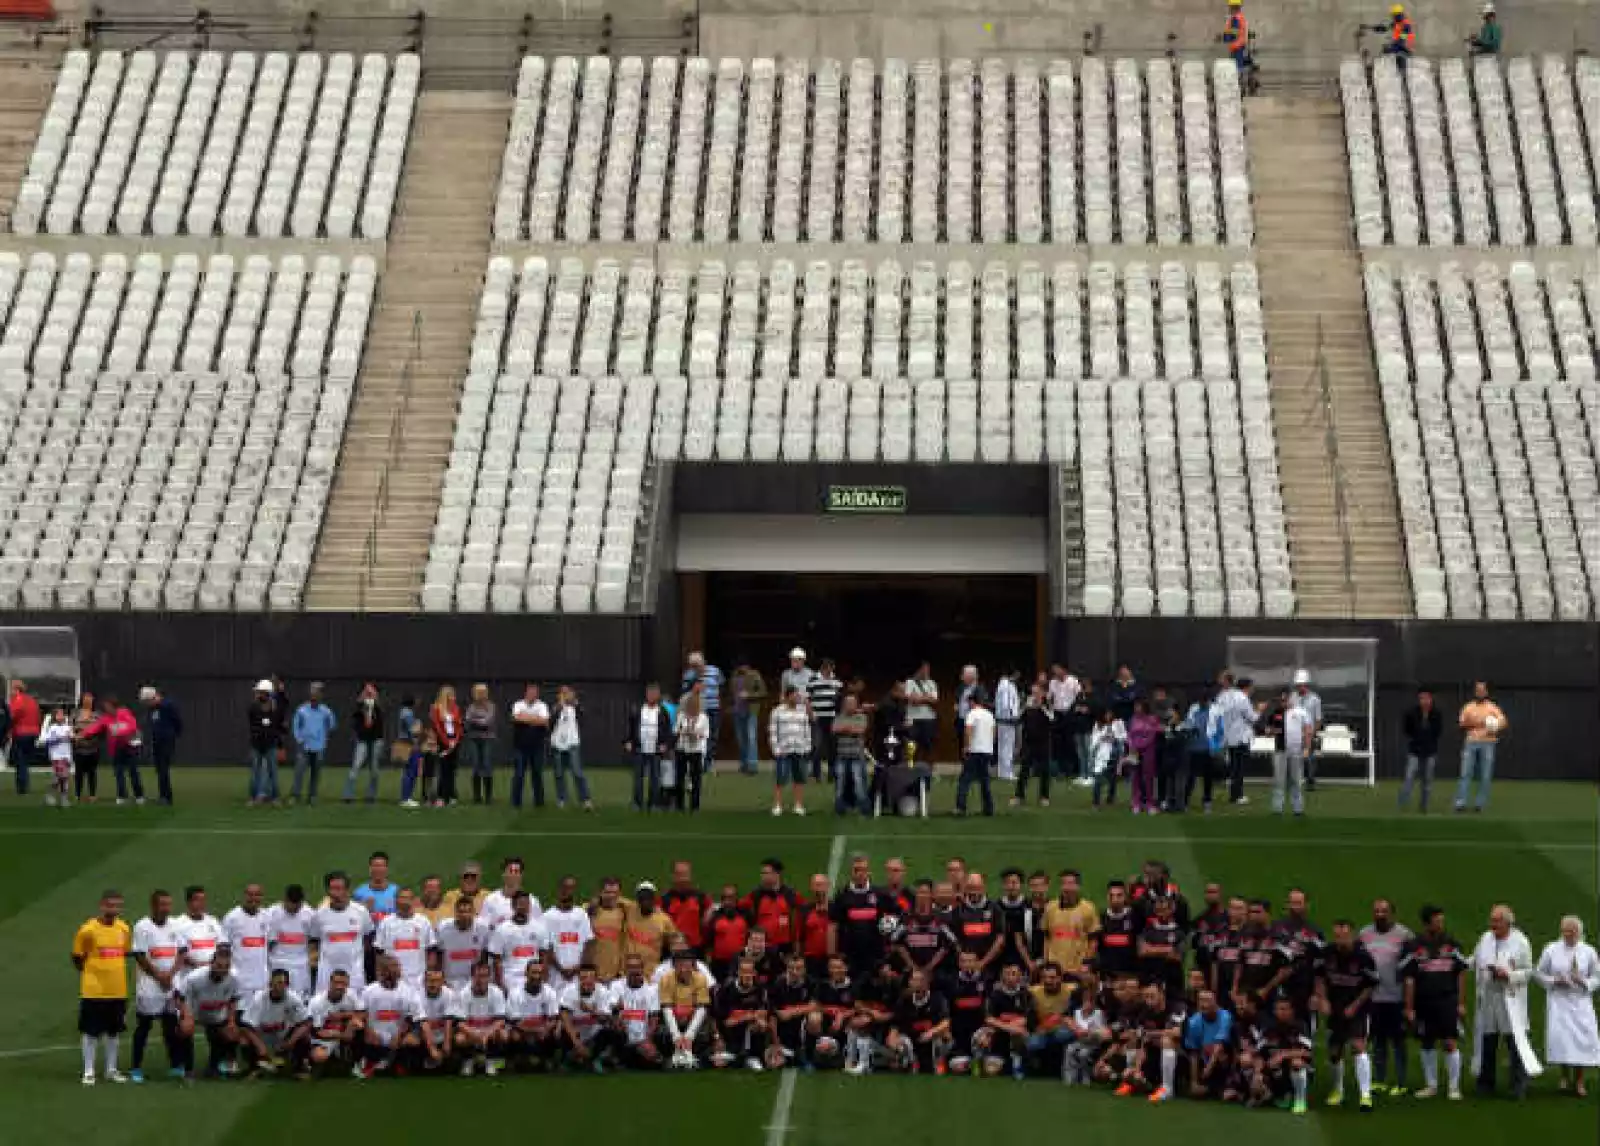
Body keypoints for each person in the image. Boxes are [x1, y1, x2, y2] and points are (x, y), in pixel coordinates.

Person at [1470, 903, 1540, 1098]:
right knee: (1487, 1042)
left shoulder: (1521, 942)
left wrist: (1508, 975)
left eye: (1497, 920)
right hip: (1489, 998)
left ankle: (1518, 1085)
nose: (1492, 924)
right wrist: (1457, 963)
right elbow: (1474, 960)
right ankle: (1485, 1083)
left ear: (1508, 922)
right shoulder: (1485, 939)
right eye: (1492, 919)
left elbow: (1528, 972)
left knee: (1515, 1043)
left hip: (1510, 999)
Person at [1401, 904, 1468, 1099]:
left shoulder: (1451, 945)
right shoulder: (1414, 947)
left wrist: (1461, 1003)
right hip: (1424, 1001)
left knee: (1449, 1041)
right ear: (1426, 923)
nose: (1440, 924)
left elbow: (1461, 972)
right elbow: (1409, 978)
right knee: (1427, 1042)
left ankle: (1454, 1087)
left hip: (1447, 1000)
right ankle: (1431, 1085)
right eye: (1437, 921)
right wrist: (1409, 1007)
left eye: (1441, 920)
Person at [1316, 919, 1378, 1109]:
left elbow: (1370, 986)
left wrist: (1355, 1006)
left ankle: (1365, 1095)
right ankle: (1338, 1090)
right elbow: (1319, 978)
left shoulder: (1363, 957)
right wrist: (1323, 999)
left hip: (1357, 1009)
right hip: (1335, 1008)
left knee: (1358, 1046)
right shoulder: (1326, 953)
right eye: (1337, 936)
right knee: (1335, 1052)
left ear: (1351, 935)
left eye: (1344, 936)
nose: (1340, 940)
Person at [1536, 916, 1600, 1096]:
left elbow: (1597, 977)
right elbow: (1539, 973)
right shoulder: (1551, 949)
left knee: (1581, 1040)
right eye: (1566, 931)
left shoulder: (1589, 951)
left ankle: (1579, 1081)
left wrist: (1584, 982)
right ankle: (1564, 1077)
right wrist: (1555, 980)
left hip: (1580, 1002)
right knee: (1562, 1040)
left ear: (1579, 933)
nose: (1569, 935)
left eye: (1572, 932)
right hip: (1559, 1002)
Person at [74, 889, 131, 1085]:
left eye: (117, 905)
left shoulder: (123, 928)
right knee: (91, 1032)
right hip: (94, 989)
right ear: (102, 906)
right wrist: (93, 975)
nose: (114, 909)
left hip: (118, 989)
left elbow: (124, 953)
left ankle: (111, 1069)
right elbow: (77, 957)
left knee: (113, 1031)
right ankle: (88, 1071)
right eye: (110, 905)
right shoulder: (88, 930)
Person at [1360, 897, 1414, 1095]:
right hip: (1374, 998)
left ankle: (1401, 1082)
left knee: (1398, 1041)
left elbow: (1410, 971)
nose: (1380, 915)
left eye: (1384, 911)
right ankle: (1380, 1079)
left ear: (1392, 913)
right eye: (1376, 911)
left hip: (1396, 997)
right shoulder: (1364, 934)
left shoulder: (1405, 935)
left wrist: (1409, 1004)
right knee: (1378, 1041)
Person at [174, 943, 244, 1078]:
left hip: (216, 1013)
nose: (222, 970)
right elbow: (178, 997)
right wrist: (187, 1016)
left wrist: (231, 1022)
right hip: (193, 1011)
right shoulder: (194, 977)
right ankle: (188, 1069)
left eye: (226, 967)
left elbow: (233, 1000)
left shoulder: (234, 978)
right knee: (185, 1029)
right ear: (211, 964)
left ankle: (214, 1067)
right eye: (219, 966)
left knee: (231, 1033)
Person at [239, 967, 312, 1075]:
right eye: (277, 982)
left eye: (283, 983)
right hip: (263, 1037)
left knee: (305, 1035)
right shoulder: (258, 998)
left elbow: (307, 1022)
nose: (280, 986)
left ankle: (299, 1068)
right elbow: (245, 1026)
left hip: (283, 1037)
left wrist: (291, 1042)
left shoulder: (294, 999)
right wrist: (260, 1045)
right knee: (243, 1039)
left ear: (287, 985)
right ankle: (253, 1068)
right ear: (270, 984)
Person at [311, 871, 374, 993]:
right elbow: (314, 941)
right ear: (327, 891)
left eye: (340, 888)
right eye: (333, 889)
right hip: (327, 975)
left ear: (347, 890)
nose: (337, 893)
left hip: (354, 975)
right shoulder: (319, 915)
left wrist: (356, 957)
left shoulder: (361, 912)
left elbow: (368, 938)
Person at [82, 695, 144, 807]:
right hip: (117, 748)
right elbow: (95, 727)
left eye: (107, 706)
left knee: (133, 772)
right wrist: (82, 734)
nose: (105, 708)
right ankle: (122, 796)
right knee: (119, 773)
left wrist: (120, 731)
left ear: (113, 706)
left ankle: (139, 796)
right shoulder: (106, 718)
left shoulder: (125, 713)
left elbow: (132, 727)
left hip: (130, 747)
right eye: (105, 707)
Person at [1455, 681, 1506, 813]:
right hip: (1471, 741)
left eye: (1482, 690)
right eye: (1478, 690)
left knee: (1485, 774)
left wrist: (1493, 726)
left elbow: (1503, 722)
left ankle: (1480, 804)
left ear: (1486, 692)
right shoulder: (1469, 707)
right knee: (1465, 773)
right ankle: (1460, 803)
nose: (1480, 692)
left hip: (1488, 743)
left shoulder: (1493, 708)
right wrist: (1477, 722)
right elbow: (1462, 723)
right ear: (1475, 692)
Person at [454, 958, 509, 1076]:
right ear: (472, 976)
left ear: (489, 977)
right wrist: (475, 1034)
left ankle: (490, 1061)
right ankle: (468, 1061)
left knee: (503, 1035)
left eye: (484, 976)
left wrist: (486, 1034)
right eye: (478, 976)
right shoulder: (463, 994)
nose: (481, 980)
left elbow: (500, 1020)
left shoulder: (497, 992)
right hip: (471, 1031)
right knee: (460, 1039)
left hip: (489, 1030)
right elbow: (460, 1023)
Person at [624, 682, 674, 812]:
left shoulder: (662, 711)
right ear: (646, 695)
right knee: (638, 777)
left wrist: (665, 745)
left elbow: (668, 731)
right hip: (640, 748)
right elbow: (631, 726)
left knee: (655, 778)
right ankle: (637, 803)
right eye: (649, 693)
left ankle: (654, 804)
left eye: (654, 694)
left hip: (656, 750)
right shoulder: (638, 709)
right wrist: (628, 741)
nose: (652, 696)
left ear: (658, 695)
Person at [375, 887, 435, 992]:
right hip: (393, 980)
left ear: (414, 900)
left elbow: (431, 951)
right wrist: (380, 976)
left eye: (408, 898)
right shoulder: (386, 922)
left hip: (418, 980)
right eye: (402, 897)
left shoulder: (424, 921)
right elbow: (379, 953)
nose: (405, 901)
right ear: (396, 900)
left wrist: (429, 975)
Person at [222, 883, 272, 1000]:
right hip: (240, 978)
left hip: (261, 978)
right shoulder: (232, 917)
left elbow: (268, 944)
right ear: (244, 896)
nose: (253, 898)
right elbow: (223, 947)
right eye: (250, 895)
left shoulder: (266, 916)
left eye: (257, 895)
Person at [1211, 673, 1255, 806]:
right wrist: (1259, 710)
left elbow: (1217, 717)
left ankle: (1233, 795)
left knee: (1233, 767)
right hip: (1241, 737)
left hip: (1228, 737)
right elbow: (1252, 718)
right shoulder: (1241, 697)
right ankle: (1238, 795)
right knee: (1239, 768)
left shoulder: (1220, 697)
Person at [290, 683, 336, 805]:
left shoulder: (326, 711)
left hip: (319, 746)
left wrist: (325, 735)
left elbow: (332, 726)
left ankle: (312, 796)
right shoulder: (301, 710)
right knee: (299, 772)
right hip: (304, 746)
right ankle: (295, 795)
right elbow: (295, 727)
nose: (315, 695)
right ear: (310, 694)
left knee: (315, 773)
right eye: (313, 692)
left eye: (318, 692)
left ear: (321, 695)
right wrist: (299, 739)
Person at [768, 686, 811, 817]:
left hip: (799, 749)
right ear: (788, 696)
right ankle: (777, 805)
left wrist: (807, 746)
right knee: (780, 778)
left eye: (798, 695)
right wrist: (776, 748)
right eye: (795, 695)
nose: (798, 697)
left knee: (799, 778)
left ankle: (798, 805)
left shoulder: (802, 711)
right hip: (783, 750)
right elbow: (773, 731)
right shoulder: (777, 711)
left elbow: (807, 730)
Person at [548, 685, 592, 810]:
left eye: (567, 693)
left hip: (572, 744)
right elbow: (550, 724)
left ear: (572, 694)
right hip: (557, 744)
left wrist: (576, 704)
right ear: (558, 695)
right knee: (559, 774)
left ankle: (585, 799)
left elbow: (584, 718)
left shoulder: (576, 707)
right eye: (562, 693)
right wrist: (559, 707)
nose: (565, 695)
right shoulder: (555, 708)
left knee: (577, 772)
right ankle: (561, 798)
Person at [267, 884, 316, 996]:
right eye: (291, 904)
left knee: (300, 1001)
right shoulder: (272, 913)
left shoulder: (309, 914)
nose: (294, 908)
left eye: (297, 905)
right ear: (285, 899)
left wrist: (311, 959)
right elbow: (269, 944)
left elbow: (314, 940)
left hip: (301, 967)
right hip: (278, 964)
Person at [1400, 688, 1443, 812]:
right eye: (1422, 698)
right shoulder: (1411, 713)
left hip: (1430, 751)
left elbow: (1438, 731)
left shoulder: (1436, 714)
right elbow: (1407, 729)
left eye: (1427, 698)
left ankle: (1424, 805)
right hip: (1414, 750)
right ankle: (1403, 803)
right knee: (1409, 776)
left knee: (1427, 780)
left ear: (1431, 699)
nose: (1424, 701)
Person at [681, 652, 723, 771]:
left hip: (714, 708)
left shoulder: (715, 671)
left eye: (697, 665)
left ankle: (707, 762)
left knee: (713, 736)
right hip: (698, 709)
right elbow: (684, 691)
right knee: (699, 735)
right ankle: (698, 762)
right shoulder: (689, 675)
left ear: (703, 663)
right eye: (692, 666)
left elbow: (721, 686)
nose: (695, 668)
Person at [956, 689, 996, 817]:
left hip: (974, 751)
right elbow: (994, 733)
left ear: (973, 702)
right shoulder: (990, 715)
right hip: (987, 751)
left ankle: (961, 807)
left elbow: (968, 731)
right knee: (985, 780)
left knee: (965, 780)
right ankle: (988, 808)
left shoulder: (972, 714)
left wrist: (966, 747)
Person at [509, 683, 549, 809]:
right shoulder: (518, 704)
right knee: (519, 774)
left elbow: (544, 721)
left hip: (537, 746)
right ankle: (516, 802)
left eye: (535, 692)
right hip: (520, 746)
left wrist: (525, 718)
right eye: (531, 692)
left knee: (537, 774)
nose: (533, 694)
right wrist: (535, 719)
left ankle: (539, 802)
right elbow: (516, 718)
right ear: (526, 692)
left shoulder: (542, 705)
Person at [1274, 685, 1312, 817]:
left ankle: (1298, 809)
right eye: (1282, 700)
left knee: (1296, 780)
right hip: (1280, 750)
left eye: (1285, 699)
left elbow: (1308, 731)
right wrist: (1272, 731)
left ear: (1291, 698)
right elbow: (1270, 729)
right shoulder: (1278, 713)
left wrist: (1307, 748)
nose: (1283, 702)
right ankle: (1278, 808)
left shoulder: (1302, 712)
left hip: (1296, 751)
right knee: (1279, 781)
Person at [831, 694, 872, 816]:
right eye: (847, 703)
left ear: (856, 705)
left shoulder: (862, 717)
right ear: (844, 705)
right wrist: (850, 729)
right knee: (840, 783)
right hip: (841, 756)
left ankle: (864, 809)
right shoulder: (839, 717)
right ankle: (840, 809)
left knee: (859, 782)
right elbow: (834, 729)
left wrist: (845, 729)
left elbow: (860, 730)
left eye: (852, 703)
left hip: (857, 756)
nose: (849, 706)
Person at [141, 685, 182, 805]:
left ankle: (167, 797)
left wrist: (173, 734)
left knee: (163, 768)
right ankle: (162, 795)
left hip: (166, 740)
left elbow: (177, 721)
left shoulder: (168, 705)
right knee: (159, 769)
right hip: (157, 740)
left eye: (148, 701)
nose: (147, 704)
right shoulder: (153, 709)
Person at [806, 658, 844, 783]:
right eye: (828, 669)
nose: (830, 672)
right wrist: (811, 714)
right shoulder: (813, 680)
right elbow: (807, 699)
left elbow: (840, 701)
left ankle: (832, 774)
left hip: (832, 718)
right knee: (816, 746)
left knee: (833, 747)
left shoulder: (837, 682)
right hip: (818, 718)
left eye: (832, 670)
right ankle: (816, 774)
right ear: (823, 668)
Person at [246, 680, 282, 806]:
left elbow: (277, 726)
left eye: (260, 692)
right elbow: (253, 725)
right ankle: (252, 797)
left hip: (270, 744)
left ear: (266, 693)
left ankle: (275, 797)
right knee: (255, 772)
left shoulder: (276, 709)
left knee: (273, 772)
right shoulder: (253, 707)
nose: (257, 694)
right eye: (258, 692)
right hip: (256, 744)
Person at [672, 690, 709, 812]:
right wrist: (683, 731)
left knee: (696, 779)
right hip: (682, 749)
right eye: (690, 704)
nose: (692, 707)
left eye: (695, 704)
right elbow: (675, 730)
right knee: (680, 778)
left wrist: (696, 734)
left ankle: (695, 806)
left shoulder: (703, 718)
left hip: (696, 750)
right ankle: (679, 805)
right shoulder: (681, 716)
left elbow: (706, 734)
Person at [729, 658, 767, 775]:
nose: (742, 668)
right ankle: (744, 764)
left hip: (751, 711)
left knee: (751, 738)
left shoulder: (755, 675)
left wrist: (749, 695)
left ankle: (752, 766)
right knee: (741, 740)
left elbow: (763, 692)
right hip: (737, 712)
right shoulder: (734, 677)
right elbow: (732, 694)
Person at [461, 683, 496, 805]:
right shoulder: (471, 707)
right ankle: (476, 796)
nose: (481, 694)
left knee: (487, 765)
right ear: (474, 694)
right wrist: (478, 722)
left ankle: (488, 796)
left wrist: (475, 721)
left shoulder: (491, 706)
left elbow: (488, 722)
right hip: (473, 739)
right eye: (478, 692)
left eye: (483, 692)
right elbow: (467, 722)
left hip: (487, 739)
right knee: (475, 766)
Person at [1289, 670, 1323, 790]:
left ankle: (1310, 782)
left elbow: (1318, 719)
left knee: (1309, 759)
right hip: (1295, 732)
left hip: (1309, 733)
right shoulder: (1292, 697)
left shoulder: (1315, 699)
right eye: (1298, 684)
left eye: (1301, 684)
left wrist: (1312, 734)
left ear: (1306, 684)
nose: (1299, 686)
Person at [1125, 700, 1161, 815]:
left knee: (1148, 777)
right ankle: (1136, 803)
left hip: (1148, 751)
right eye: (1135, 706)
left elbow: (1152, 736)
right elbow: (1129, 735)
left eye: (1139, 706)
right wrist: (1132, 746)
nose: (1137, 708)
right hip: (1134, 751)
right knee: (1135, 776)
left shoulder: (1152, 719)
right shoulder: (1133, 719)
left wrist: (1141, 745)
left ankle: (1149, 803)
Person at [429, 685, 462, 807]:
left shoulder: (455, 708)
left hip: (454, 741)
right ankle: (441, 797)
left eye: (453, 695)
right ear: (445, 696)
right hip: (442, 741)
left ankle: (451, 795)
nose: (453, 698)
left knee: (452, 770)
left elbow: (459, 726)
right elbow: (437, 727)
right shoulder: (436, 708)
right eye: (451, 695)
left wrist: (455, 740)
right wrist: (447, 743)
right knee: (443, 769)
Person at [1089, 707, 1126, 809]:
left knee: (1113, 778)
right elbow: (1094, 740)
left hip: (1114, 753)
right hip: (1101, 755)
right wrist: (1102, 737)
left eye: (1110, 714)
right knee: (1098, 778)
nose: (1108, 716)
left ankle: (1110, 797)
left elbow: (1123, 736)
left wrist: (1115, 738)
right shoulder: (1099, 725)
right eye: (1107, 714)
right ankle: (1095, 802)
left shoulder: (1118, 723)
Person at [8, 678, 40, 796]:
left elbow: (11, 716)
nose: (11, 692)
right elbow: (37, 717)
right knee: (25, 761)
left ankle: (21, 788)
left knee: (20, 761)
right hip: (33, 733)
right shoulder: (32, 700)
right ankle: (25, 784)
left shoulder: (17, 700)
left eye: (12, 688)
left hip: (21, 733)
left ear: (16, 689)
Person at [904, 661, 939, 763]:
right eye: (924, 669)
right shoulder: (909, 683)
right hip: (913, 719)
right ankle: (911, 767)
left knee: (928, 745)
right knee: (912, 745)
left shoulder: (932, 683)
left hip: (929, 719)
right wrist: (927, 697)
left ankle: (927, 769)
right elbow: (912, 700)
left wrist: (920, 698)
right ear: (918, 670)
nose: (926, 672)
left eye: (928, 669)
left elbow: (935, 700)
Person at [71, 692, 101, 803]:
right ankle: (78, 794)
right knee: (79, 773)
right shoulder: (75, 713)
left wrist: (91, 733)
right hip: (79, 748)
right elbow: (71, 727)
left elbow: (100, 728)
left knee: (92, 772)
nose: (88, 701)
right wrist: (76, 735)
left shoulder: (97, 714)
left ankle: (92, 795)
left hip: (93, 748)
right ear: (82, 700)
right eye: (86, 699)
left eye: (90, 699)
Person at [41, 706, 73, 807]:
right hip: (56, 756)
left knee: (58, 778)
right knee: (63, 777)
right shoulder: (52, 728)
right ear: (54, 716)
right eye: (58, 714)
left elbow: (72, 739)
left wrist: (72, 737)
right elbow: (48, 742)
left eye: (62, 714)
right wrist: (59, 739)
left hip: (66, 755)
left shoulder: (68, 727)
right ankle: (64, 799)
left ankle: (49, 795)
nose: (61, 716)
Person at [395, 695, 423, 808]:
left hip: (404, 742)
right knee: (411, 771)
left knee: (407, 771)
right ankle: (406, 798)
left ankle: (405, 797)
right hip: (409, 744)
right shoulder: (408, 713)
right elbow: (413, 730)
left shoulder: (403, 712)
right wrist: (419, 724)